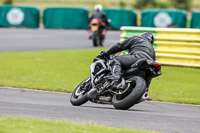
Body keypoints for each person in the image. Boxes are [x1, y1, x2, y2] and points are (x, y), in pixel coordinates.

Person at [88, 32, 155, 99]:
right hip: (146, 65)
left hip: (138, 57)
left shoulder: (137, 38)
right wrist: (145, 90)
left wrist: (107, 52)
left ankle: (116, 76)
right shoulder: (153, 51)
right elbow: (149, 77)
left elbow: (120, 45)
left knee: (116, 60)